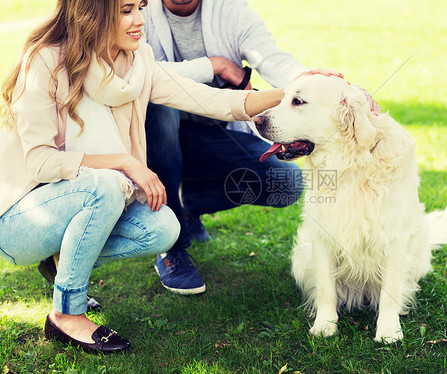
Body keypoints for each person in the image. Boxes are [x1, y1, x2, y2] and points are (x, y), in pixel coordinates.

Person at [0, 0, 285, 354]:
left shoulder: (138, 62)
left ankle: (62, 256)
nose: (139, 20)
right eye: (125, 10)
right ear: (93, 12)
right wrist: (125, 162)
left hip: (77, 202)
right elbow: (41, 162)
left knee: (163, 227)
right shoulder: (46, 59)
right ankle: (66, 314)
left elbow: (213, 101)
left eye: (140, 7)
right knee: (104, 183)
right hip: (18, 218)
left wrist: (294, 94)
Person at [142, 0, 341, 296]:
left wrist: (308, 79)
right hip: (155, 141)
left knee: (286, 182)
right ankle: (171, 247)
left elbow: (269, 55)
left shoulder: (230, 9)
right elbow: (140, 70)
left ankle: (185, 210)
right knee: (159, 106)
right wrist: (215, 65)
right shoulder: (137, 10)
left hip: (217, 135)